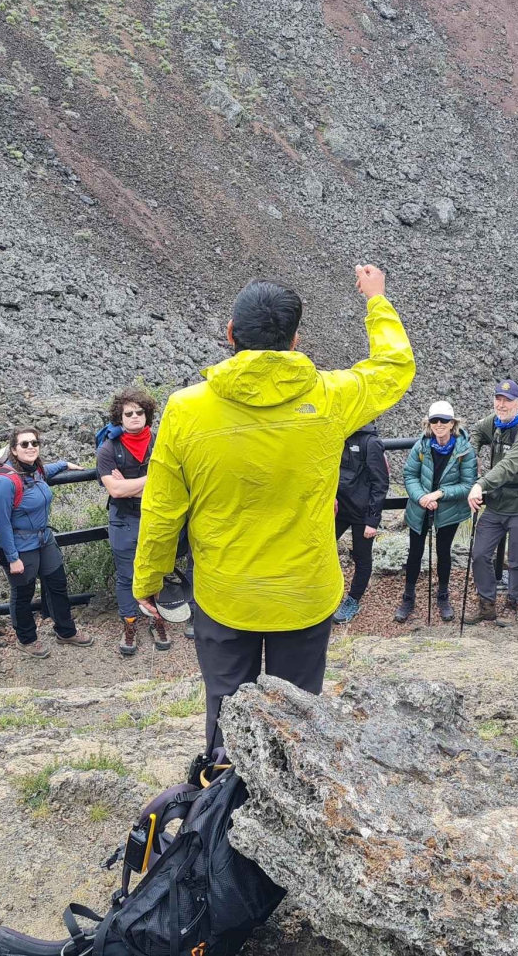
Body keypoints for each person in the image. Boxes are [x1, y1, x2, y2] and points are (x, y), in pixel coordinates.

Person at [132, 264, 415, 749]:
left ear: (230, 335)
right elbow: (393, 367)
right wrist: (376, 300)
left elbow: (162, 509)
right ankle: (287, 808)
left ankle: (219, 811)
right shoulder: (332, 397)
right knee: (298, 718)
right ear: (295, 340)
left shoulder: (184, 408)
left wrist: (148, 579)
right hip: (304, 593)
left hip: (225, 594)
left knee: (225, 712)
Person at [0, 427, 94, 658]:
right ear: (13, 451)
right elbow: (2, 524)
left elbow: (44, 471)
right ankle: (27, 639)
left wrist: (64, 464)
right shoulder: (4, 482)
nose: (31, 447)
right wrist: (12, 557)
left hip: (43, 539)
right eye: (24, 444)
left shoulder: (34, 471)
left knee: (57, 584)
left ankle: (65, 631)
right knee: (23, 593)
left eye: (34, 443)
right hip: (19, 544)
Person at [96, 388, 179, 657]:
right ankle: (129, 624)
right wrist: (154, 480)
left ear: (148, 414)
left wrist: (131, 484)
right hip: (124, 518)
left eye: (139, 412)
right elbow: (116, 491)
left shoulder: (160, 442)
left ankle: (157, 620)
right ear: (119, 417)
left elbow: (175, 482)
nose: (134, 417)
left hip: (156, 517)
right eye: (128, 413)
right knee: (126, 574)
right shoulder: (108, 449)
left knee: (157, 569)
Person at [466, 380, 518, 623]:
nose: (502, 404)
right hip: (498, 502)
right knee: (479, 554)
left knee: (517, 558)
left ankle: (513, 603)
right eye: (498, 399)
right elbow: (477, 431)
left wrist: (480, 484)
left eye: (507, 400)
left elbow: (509, 465)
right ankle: (486, 604)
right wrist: (472, 453)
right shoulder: (495, 423)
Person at [396, 400, 476, 622]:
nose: (439, 424)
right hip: (420, 507)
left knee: (444, 552)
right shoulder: (421, 446)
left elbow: (468, 484)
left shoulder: (465, 450)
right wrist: (422, 497)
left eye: (444, 420)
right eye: (434, 420)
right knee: (415, 552)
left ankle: (443, 596)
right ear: (429, 423)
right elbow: (409, 475)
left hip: (448, 509)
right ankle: (408, 596)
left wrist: (439, 494)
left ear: (453, 423)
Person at [331, 422, 388, 624]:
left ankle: (353, 600)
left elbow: (380, 483)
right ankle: (327, 594)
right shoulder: (338, 436)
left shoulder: (370, 442)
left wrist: (372, 521)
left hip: (362, 513)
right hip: (338, 509)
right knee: (323, 549)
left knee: (361, 557)